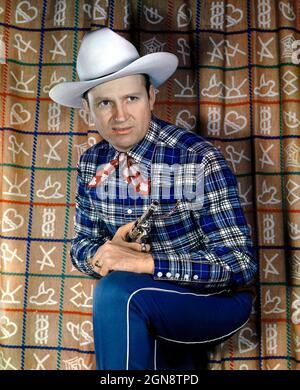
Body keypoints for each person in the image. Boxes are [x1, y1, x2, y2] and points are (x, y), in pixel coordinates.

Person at [49, 28, 257, 370]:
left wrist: (146, 263)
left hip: (217, 302)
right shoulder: (91, 164)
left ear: (152, 97)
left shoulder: (197, 158)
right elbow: (82, 247)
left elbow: (238, 265)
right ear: (88, 110)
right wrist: (104, 252)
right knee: (136, 316)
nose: (119, 116)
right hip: (144, 304)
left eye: (131, 98)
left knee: (117, 292)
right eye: (105, 102)